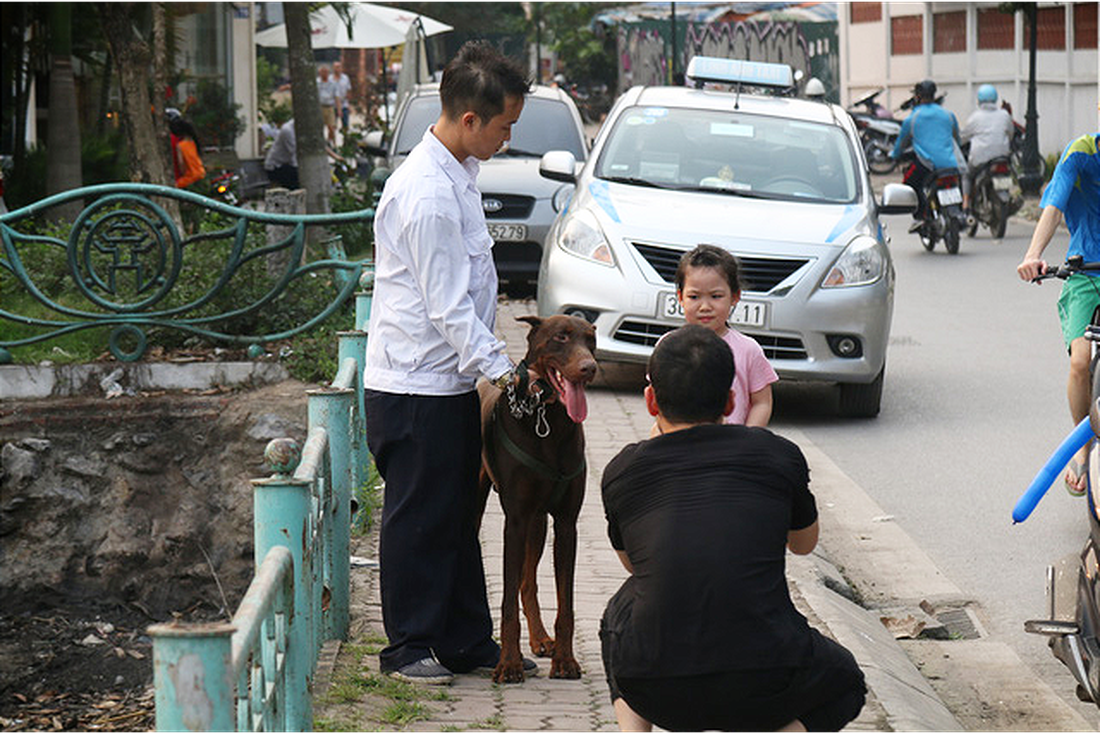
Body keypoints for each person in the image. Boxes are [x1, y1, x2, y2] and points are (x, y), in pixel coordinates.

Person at [362, 41, 533, 685]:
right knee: (420, 516)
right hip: (414, 385)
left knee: (459, 512)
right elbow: (447, 305)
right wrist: (503, 370)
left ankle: (464, 638)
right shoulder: (427, 194)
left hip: (447, 381)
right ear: (469, 120)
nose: (507, 138)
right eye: (504, 125)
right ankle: (408, 646)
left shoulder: (458, 176)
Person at [600, 324, 867, 733]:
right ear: (729, 400)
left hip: (655, 688)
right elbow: (804, 544)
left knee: (621, 612)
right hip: (765, 682)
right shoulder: (778, 455)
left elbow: (634, 565)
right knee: (846, 680)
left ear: (651, 401)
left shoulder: (623, 469)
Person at [1016, 131, 1100, 496]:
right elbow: (1053, 208)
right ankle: (1082, 446)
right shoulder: (1081, 153)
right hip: (1085, 273)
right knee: (1081, 362)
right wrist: (1033, 254)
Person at [674, 244, 777, 427]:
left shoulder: (748, 349)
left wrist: (747, 440)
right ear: (680, 297)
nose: (705, 306)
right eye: (694, 297)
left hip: (733, 449)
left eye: (716, 296)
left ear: (735, 297)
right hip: (682, 449)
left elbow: (762, 402)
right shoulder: (669, 347)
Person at [890, 79, 964, 231]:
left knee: (909, 183)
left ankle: (920, 217)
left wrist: (894, 155)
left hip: (927, 165)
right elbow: (957, 139)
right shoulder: (948, 115)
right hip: (950, 164)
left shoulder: (912, 119)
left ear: (917, 96)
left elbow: (901, 144)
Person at [961, 84, 1014, 211]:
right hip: (1002, 157)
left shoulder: (975, 117)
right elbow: (1010, 133)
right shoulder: (1004, 115)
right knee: (1006, 174)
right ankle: (1008, 197)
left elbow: (963, 137)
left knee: (967, 176)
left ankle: (966, 202)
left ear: (979, 99)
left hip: (980, 160)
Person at [167, 109, 205, 189]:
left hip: (188, 178)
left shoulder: (180, 145)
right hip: (200, 174)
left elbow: (181, 165)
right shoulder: (192, 142)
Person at [263, 119, 298, 190]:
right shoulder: (287, 130)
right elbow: (294, 153)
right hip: (276, 166)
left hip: (287, 163)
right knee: (296, 181)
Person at [317, 65, 338, 146]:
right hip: (320, 107)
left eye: (326, 72)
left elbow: (336, 96)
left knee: (331, 127)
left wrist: (339, 109)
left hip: (329, 107)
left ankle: (332, 143)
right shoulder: (317, 82)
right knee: (320, 127)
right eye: (323, 72)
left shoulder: (332, 83)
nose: (324, 74)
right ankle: (321, 143)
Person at [333, 61, 353, 134]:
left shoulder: (345, 78)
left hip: (344, 104)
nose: (337, 69)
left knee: (345, 125)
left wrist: (349, 104)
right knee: (332, 126)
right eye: (336, 67)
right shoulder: (330, 79)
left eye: (339, 67)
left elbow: (348, 91)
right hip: (333, 105)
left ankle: (346, 141)